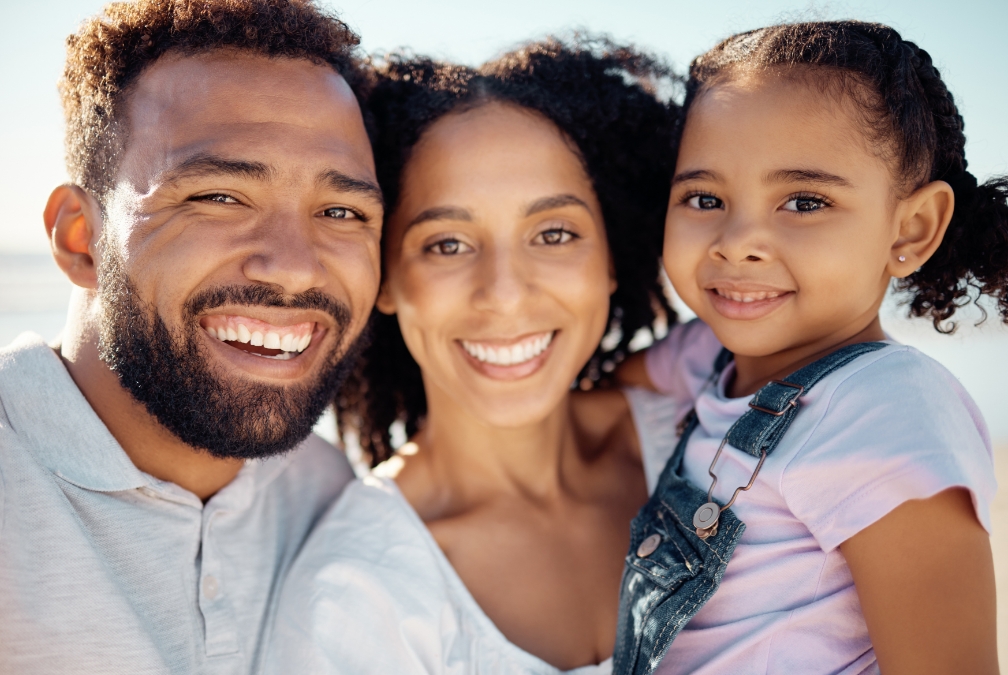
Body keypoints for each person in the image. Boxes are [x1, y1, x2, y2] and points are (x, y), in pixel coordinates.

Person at [266, 39, 690, 673]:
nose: (505, 294)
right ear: (384, 277)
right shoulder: (356, 596)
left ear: (612, 256)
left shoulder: (712, 445)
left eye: (554, 234)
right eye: (448, 244)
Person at [0, 1, 385, 672]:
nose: (294, 267)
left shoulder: (331, 495)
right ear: (80, 238)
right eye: (219, 198)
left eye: (340, 211)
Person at [612, 21, 1003, 675]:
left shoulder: (885, 407)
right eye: (705, 198)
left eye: (803, 201)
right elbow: (595, 401)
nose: (738, 242)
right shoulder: (704, 357)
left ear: (910, 229)